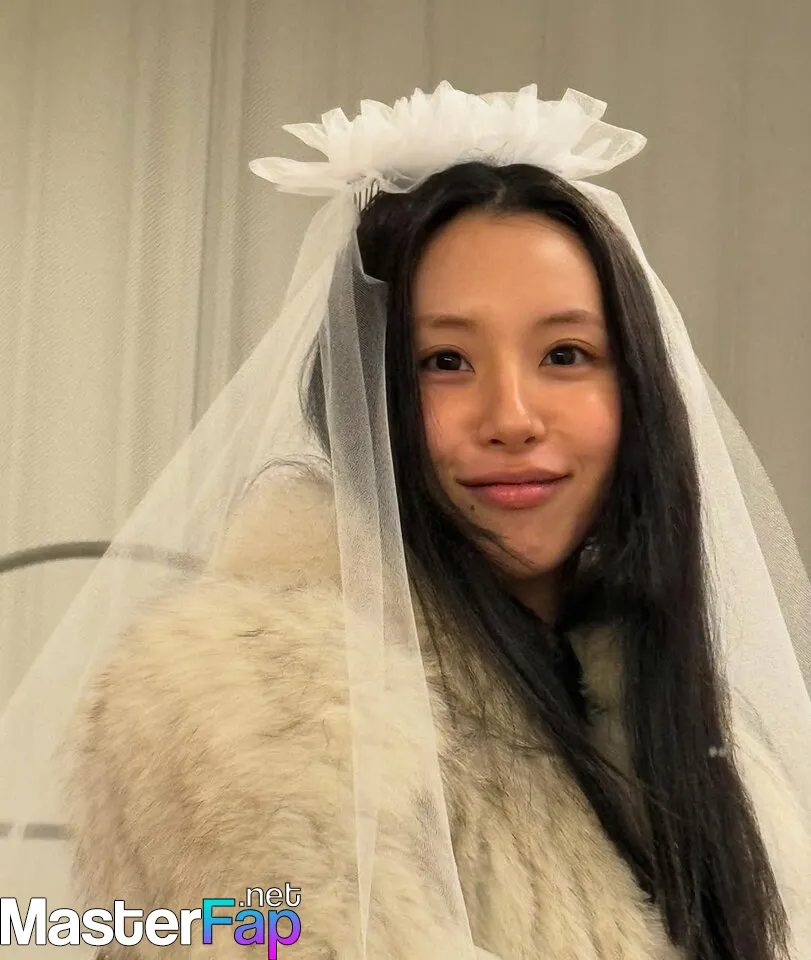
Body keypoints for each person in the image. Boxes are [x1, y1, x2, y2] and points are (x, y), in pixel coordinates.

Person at [9, 85, 811, 959]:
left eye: (564, 354)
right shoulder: (267, 706)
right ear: (364, 394)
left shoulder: (691, 724)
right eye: (444, 361)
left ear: (639, 391)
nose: (511, 417)